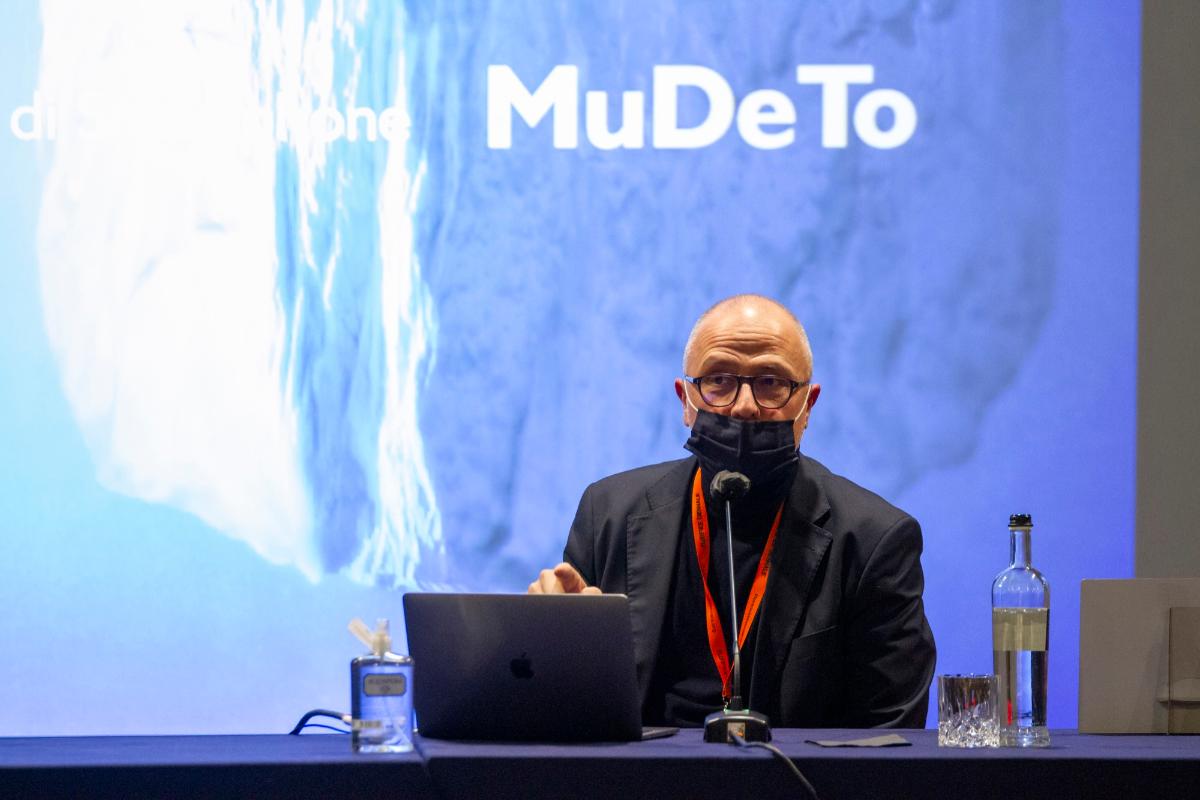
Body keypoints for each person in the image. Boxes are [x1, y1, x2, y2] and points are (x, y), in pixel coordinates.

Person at [529, 294, 936, 728]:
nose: (743, 405)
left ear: (808, 406)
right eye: (719, 380)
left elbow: (892, 738)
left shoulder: (875, 540)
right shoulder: (608, 513)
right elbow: (562, 718)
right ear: (685, 400)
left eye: (771, 382)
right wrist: (550, 642)